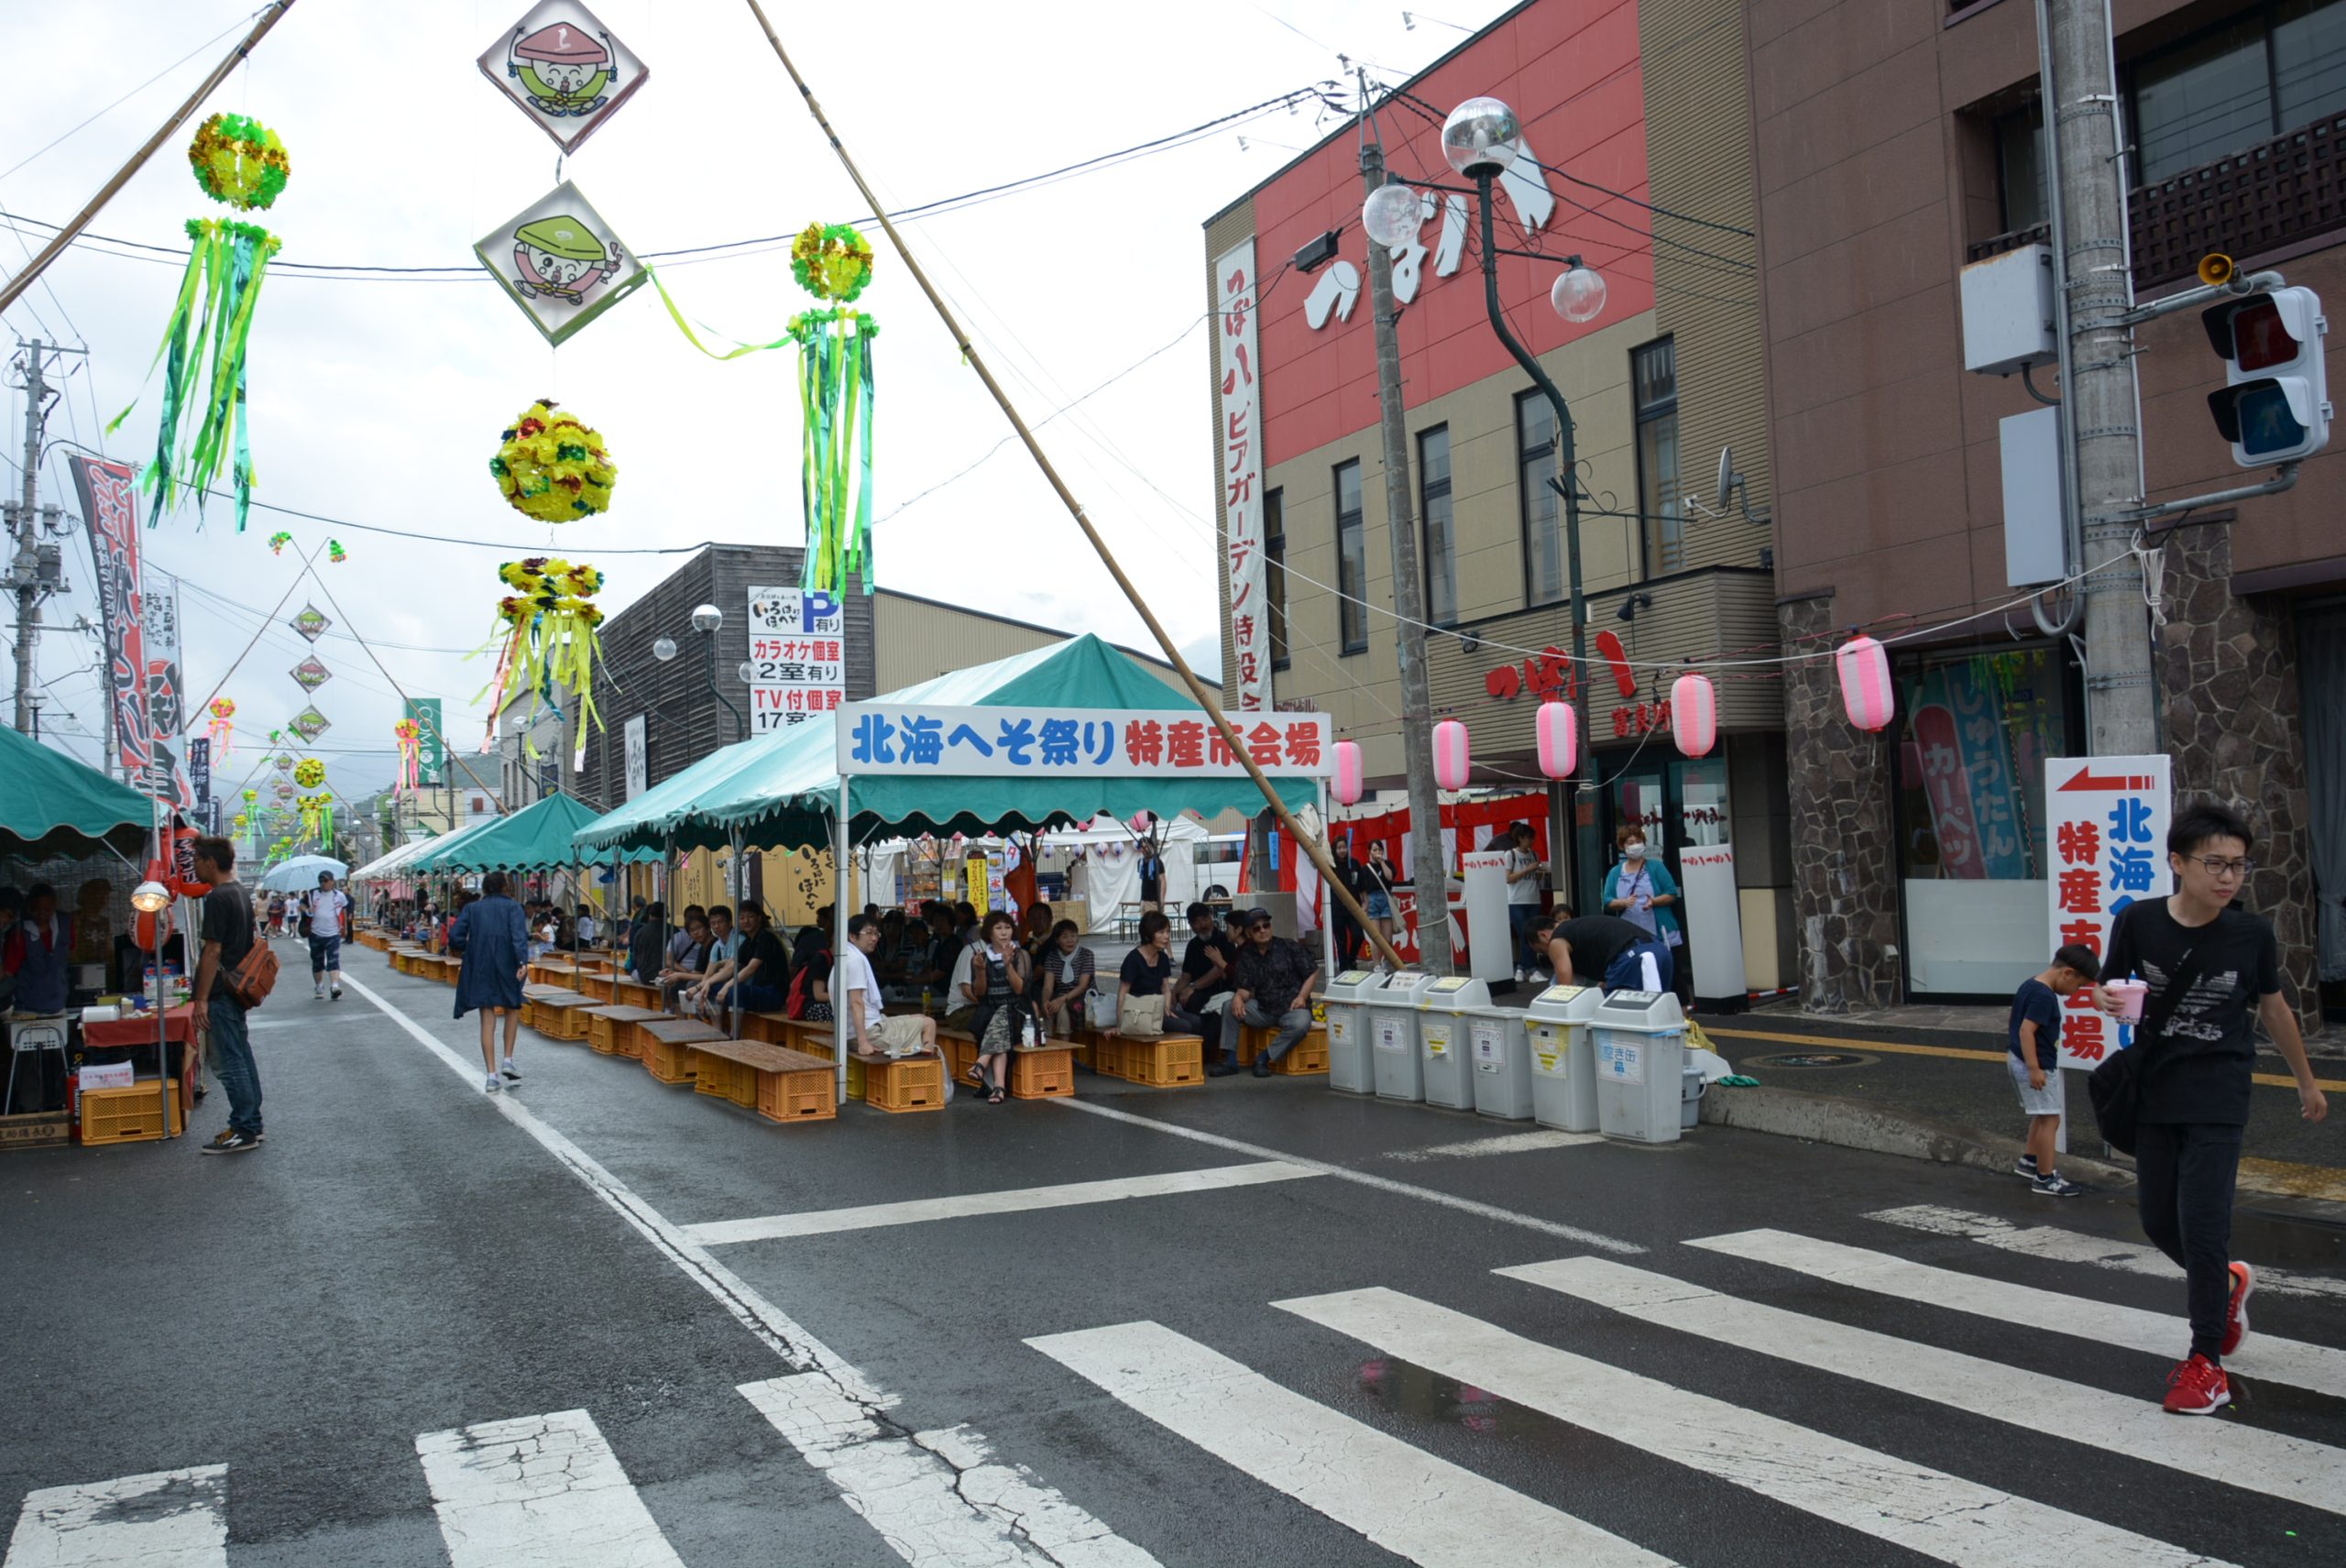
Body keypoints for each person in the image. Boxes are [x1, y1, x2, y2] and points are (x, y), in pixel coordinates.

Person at [2094, 803, 2329, 1416]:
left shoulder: (2250, 934)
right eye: (2216, 863)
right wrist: (2106, 1001)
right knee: (2156, 1220)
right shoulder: (2140, 921)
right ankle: (2226, 1282)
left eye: (2238, 866)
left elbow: (2273, 1008)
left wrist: (2307, 1081)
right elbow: (2109, 986)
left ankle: (2206, 1364)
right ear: (2178, 862)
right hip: (2155, 1092)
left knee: (2202, 1227)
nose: (2229, 877)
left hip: (2220, 1096)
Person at [188, 838, 262, 1155]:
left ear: (209, 861)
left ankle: (244, 1127)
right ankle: (251, 1124)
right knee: (240, 1055)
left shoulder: (218, 897)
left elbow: (212, 950)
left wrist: (201, 998)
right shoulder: (240, 892)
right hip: (238, 988)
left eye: (196, 859)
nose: (193, 866)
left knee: (229, 1062)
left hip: (221, 992)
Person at [2009, 943, 2099, 1198]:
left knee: (2042, 1114)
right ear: (2067, 973)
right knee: (2051, 1119)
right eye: (2079, 986)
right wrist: (2034, 1068)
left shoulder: (2031, 984)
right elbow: (2027, 1030)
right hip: (2035, 1063)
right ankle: (2045, 1177)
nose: (2076, 992)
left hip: (2020, 1058)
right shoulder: (2044, 996)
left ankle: (2030, 1160)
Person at [451, 872, 531, 1092]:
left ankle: (491, 1076)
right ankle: (508, 1059)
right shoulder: (514, 907)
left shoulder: (472, 909)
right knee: (512, 1007)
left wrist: (470, 948)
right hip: (508, 964)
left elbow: (455, 936)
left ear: (485, 888)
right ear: (505, 887)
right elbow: (519, 936)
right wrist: (522, 961)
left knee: (487, 1016)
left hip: (480, 965)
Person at [1219, 907, 1321, 1078]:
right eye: (1257, 928)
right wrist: (1237, 997)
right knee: (1229, 1005)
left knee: (1302, 1023)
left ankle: (1264, 1058)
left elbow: (1312, 971)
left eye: (1266, 925)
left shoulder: (1288, 946)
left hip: (1291, 1007)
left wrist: (1302, 996)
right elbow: (1244, 988)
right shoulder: (1247, 956)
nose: (1263, 931)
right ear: (1249, 933)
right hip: (1264, 1009)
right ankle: (1230, 1061)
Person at [840, 914, 938, 1061]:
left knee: (919, 1017)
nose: (874, 938)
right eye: (868, 933)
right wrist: (863, 1042)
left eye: (876, 933)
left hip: (856, 1031)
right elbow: (856, 1003)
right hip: (869, 1033)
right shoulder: (855, 960)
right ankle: (923, 1076)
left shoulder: (843, 957)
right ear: (852, 936)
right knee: (929, 1023)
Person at [960, 910, 1031, 1103]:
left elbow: (1019, 990)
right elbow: (980, 993)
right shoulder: (981, 957)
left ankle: (981, 1064)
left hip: (1017, 1012)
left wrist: (1008, 966)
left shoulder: (1021, 955)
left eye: (1008, 927)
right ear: (989, 933)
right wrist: (980, 971)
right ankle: (999, 1087)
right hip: (990, 1012)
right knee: (999, 1022)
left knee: (1003, 1015)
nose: (1004, 932)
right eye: (998, 928)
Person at [1110, 911, 1209, 1042]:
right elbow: (1123, 994)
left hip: (1158, 1009)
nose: (1166, 936)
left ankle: (1199, 1059)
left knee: (1197, 1021)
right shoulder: (1133, 959)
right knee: (1185, 1026)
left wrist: (1167, 1008)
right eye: (1161, 932)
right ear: (1148, 934)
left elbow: (1166, 988)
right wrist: (1120, 1025)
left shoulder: (1162, 957)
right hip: (1140, 1012)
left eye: (1168, 932)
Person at [1603, 828, 1682, 982]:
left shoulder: (1656, 867)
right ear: (1622, 846)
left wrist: (1654, 901)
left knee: (1670, 975)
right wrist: (1624, 902)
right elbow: (1607, 900)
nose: (1635, 846)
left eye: (1639, 842)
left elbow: (1671, 893)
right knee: (1638, 974)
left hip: (1660, 931)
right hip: (1630, 935)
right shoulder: (1615, 872)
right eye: (1630, 843)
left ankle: (1680, 1005)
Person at [1547, 913, 1672, 994]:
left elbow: (1565, 988)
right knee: (1660, 1007)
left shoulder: (1557, 939)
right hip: (1659, 949)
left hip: (1632, 955)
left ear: (1542, 935)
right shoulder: (1584, 927)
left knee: (1617, 1013)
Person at [2, 883, 71, 1015]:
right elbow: (8, 972)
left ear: (55, 905)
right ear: (28, 907)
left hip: (59, 1005)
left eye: (47, 910)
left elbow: (70, 953)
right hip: (27, 1009)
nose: (41, 914)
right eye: (35, 909)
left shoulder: (65, 924)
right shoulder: (18, 932)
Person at [718, 904, 789, 1015]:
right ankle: (718, 1029)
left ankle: (734, 1032)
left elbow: (751, 968)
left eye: (750, 916)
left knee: (736, 991)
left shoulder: (766, 937)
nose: (746, 921)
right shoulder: (747, 942)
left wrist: (727, 986)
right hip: (757, 990)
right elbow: (732, 967)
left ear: (759, 918)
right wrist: (704, 985)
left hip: (773, 993)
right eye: (741, 917)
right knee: (714, 988)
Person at [1035, 919, 1097, 1037]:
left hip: (1085, 998)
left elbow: (1083, 986)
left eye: (1073, 936)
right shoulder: (1052, 957)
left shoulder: (1086, 955)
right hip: (1061, 996)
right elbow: (1048, 987)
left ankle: (1064, 1047)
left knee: (1063, 1008)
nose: (1070, 940)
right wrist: (1045, 1002)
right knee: (1049, 1008)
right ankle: (1047, 1044)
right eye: (1065, 937)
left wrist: (1062, 1000)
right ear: (1057, 940)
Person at [1174, 901, 1236, 1015]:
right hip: (1198, 990)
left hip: (1219, 991)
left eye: (1205, 919)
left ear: (1211, 918)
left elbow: (1218, 971)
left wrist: (1192, 987)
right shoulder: (1192, 945)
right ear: (1190, 925)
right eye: (1196, 922)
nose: (1202, 925)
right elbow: (1186, 976)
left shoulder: (1224, 940)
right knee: (1179, 997)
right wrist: (1173, 994)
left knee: (1194, 1000)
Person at [1504, 823, 1547, 982]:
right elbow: (1508, 879)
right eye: (1529, 838)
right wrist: (1528, 870)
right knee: (1525, 935)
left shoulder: (1534, 855)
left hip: (1534, 898)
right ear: (1520, 838)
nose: (1532, 841)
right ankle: (1532, 970)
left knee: (1531, 935)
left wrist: (1539, 874)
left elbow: (1533, 877)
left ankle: (1521, 968)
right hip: (1516, 900)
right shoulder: (1510, 855)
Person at [686, 905, 740, 1017]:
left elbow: (729, 969)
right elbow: (709, 972)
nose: (716, 926)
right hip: (725, 981)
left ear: (730, 923)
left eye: (720, 922)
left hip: (738, 981)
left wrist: (701, 987)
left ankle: (718, 1029)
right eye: (713, 923)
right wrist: (701, 988)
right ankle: (711, 1026)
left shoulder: (738, 940)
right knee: (699, 993)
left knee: (710, 989)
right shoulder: (717, 944)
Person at [1358, 841, 1402, 970]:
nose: (1378, 852)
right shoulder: (1365, 869)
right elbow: (1362, 888)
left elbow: (1389, 877)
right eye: (1375, 850)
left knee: (1388, 937)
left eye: (1380, 850)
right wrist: (1365, 902)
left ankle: (1387, 961)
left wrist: (1382, 862)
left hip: (1386, 898)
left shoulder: (1388, 864)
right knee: (1375, 936)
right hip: (1372, 900)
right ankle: (1376, 964)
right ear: (1369, 852)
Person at [659, 912, 711, 1013]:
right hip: (703, 981)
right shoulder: (702, 948)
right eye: (692, 930)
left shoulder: (713, 945)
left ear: (708, 928)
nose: (696, 932)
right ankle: (683, 1021)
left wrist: (679, 975)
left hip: (712, 983)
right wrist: (673, 974)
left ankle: (693, 1021)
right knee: (676, 987)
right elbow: (696, 973)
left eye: (699, 928)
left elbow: (708, 976)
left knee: (689, 985)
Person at [1327, 836, 1365, 969]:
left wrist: (1365, 902)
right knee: (1341, 941)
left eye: (1344, 847)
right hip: (1337, 908)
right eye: (1339, 848)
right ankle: (1343, 967)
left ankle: (1352, 958)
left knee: (1358, 936)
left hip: (1354, 907)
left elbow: (1361, 886)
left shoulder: (1354, 863)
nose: (1342, 850)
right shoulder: (1330, 865)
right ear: (1334, 850)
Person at [628, 901, 669, 987]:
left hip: (644, 975)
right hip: (667, 974)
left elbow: (634, 956)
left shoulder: (640, 932)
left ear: (650, 916)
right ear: (666, 916)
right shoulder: (674, 931)